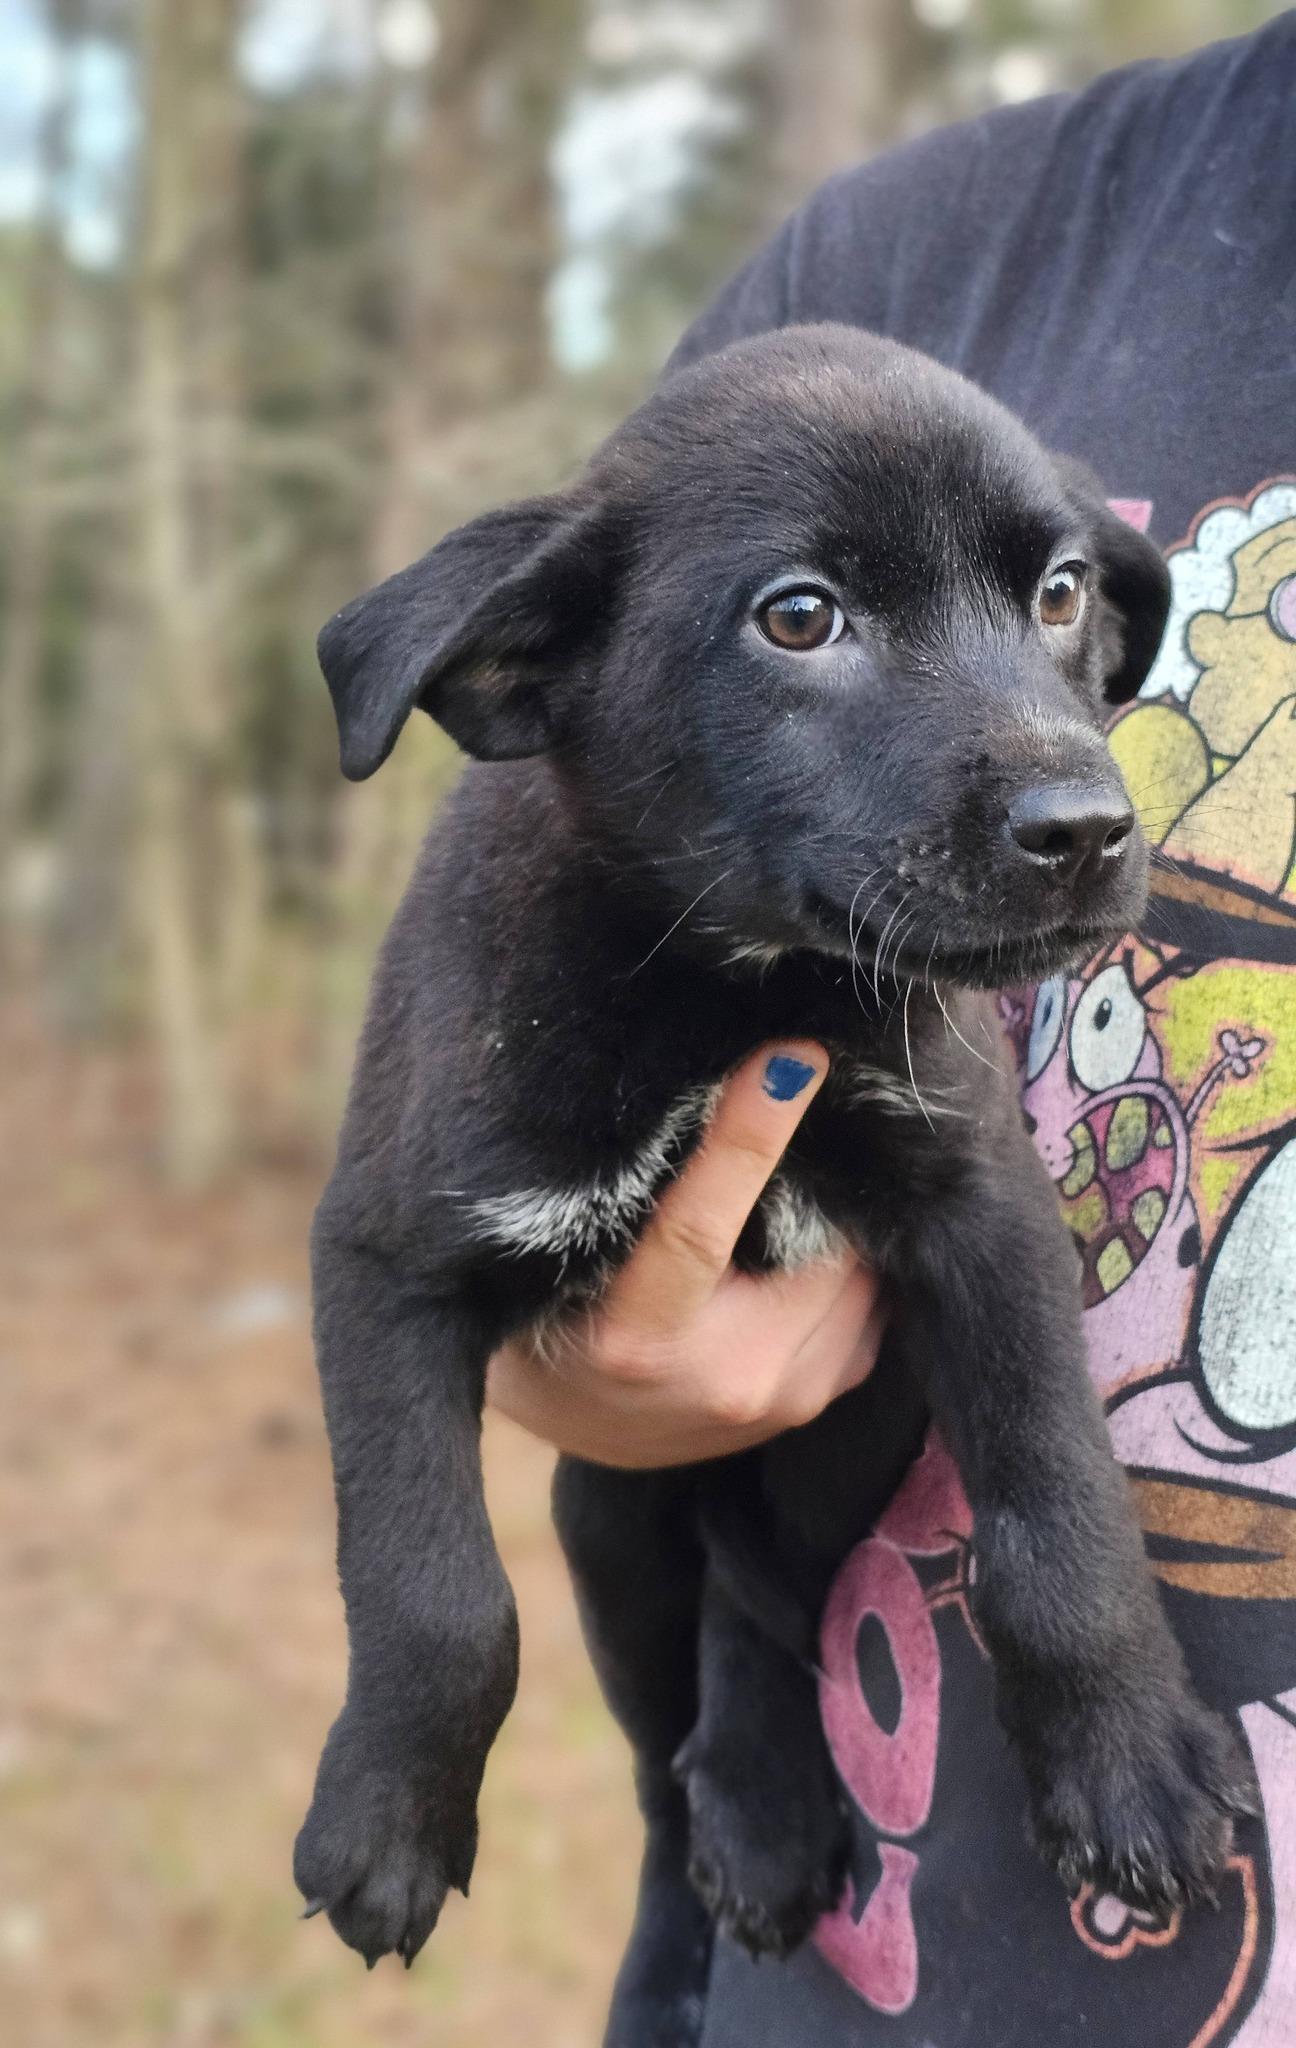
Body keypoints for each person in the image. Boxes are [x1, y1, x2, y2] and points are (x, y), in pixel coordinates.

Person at [488, 14, 1296, 2043]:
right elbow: (561, 887)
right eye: (816, 615)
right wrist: (568, 1324)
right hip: (874, 1935)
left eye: (1052, 607)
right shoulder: (919, 258)